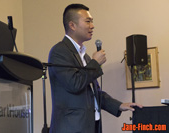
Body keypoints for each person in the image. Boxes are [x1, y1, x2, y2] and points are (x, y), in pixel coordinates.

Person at [48, 3, 142, 133]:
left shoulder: (84, 56)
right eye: (88, 21)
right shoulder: (59, 51)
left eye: (92, 21)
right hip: (71, 128)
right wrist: (94, 63)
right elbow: (74, 83)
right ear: (72, 25)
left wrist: (119, 105)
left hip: (91, 125)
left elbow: (94, 92)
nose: (92, 26)